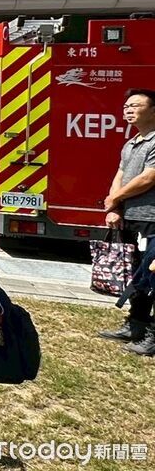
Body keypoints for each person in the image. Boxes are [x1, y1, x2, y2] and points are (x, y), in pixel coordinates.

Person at [99, 88, 155, 355]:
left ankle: (152, 337)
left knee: (153, 276)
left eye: (136, 105)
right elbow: (120, 173)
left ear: (153, 110)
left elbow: (149, 178)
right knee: (136, 276)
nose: (129, 109)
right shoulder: (131, 143)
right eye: (126, 106)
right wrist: (115, 205)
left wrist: (115, 198)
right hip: (132, 218)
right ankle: (136, 325)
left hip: (152, 219)